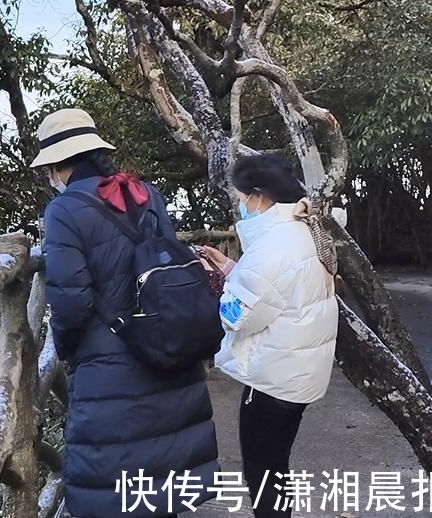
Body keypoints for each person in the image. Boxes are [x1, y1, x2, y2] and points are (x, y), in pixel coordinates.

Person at [35, 108, 220, 518]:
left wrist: (66, 351)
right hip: (167, 348)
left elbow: (71, 303)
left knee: (113, 486)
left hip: (111, 366)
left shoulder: (63, 212)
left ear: (58, 166)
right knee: (165, 477)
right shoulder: (144, 193)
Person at [200, 154, 341, 518]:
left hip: (273, 381)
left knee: (264, 473)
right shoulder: (302, 231)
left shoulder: (272, 246)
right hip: (297, 373)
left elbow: (239, 317)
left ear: (259, 197)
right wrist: (232, 268)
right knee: (276, 464)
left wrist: (217, 286)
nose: (241, 204)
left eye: (241, 196)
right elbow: (277, 293)